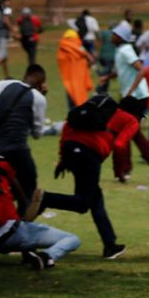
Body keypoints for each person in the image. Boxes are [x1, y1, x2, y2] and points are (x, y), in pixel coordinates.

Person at [34, 96, 137, 259]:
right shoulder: (129, 119)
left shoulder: (91, 111)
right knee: (82, 203)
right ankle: (45, 198)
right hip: (89, 154)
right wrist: (120, 171)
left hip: (71, 149)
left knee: (95, 198)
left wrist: (63, 158)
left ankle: (110, 245)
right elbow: (119, 145)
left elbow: (68, 126)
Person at [0, 143, 80, 270]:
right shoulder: (1, 168)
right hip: (15, 233)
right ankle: (47, 257)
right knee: (73, 239)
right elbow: (20, 192)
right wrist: (29, 205)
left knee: (26, 229)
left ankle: (30, 256)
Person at [0, 64, 48, 210]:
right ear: (41, 81)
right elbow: (37, 134)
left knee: (2, 185)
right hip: (18, 148)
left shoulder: (6, 84)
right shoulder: (38, 98)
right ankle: (21, 223)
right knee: (29, 186)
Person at [104, 21, 149, 181]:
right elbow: (122, 71)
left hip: (136, 97)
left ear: (120, 37)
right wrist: (107, 77)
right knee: (133, 131)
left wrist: (130, 90)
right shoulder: (120, 51)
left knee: (126, 130)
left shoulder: (126, 50)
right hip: (133, 97)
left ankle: (126, 169)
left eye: (114, 34)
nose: (111, 36)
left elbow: (141, 69)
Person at [57, 27, 95, 108]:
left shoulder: (62, 49)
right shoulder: (80, 48)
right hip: (80, 81)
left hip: (69, 81)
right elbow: (91, 61)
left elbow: (61, 63)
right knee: (81, 103)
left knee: (72, 104)